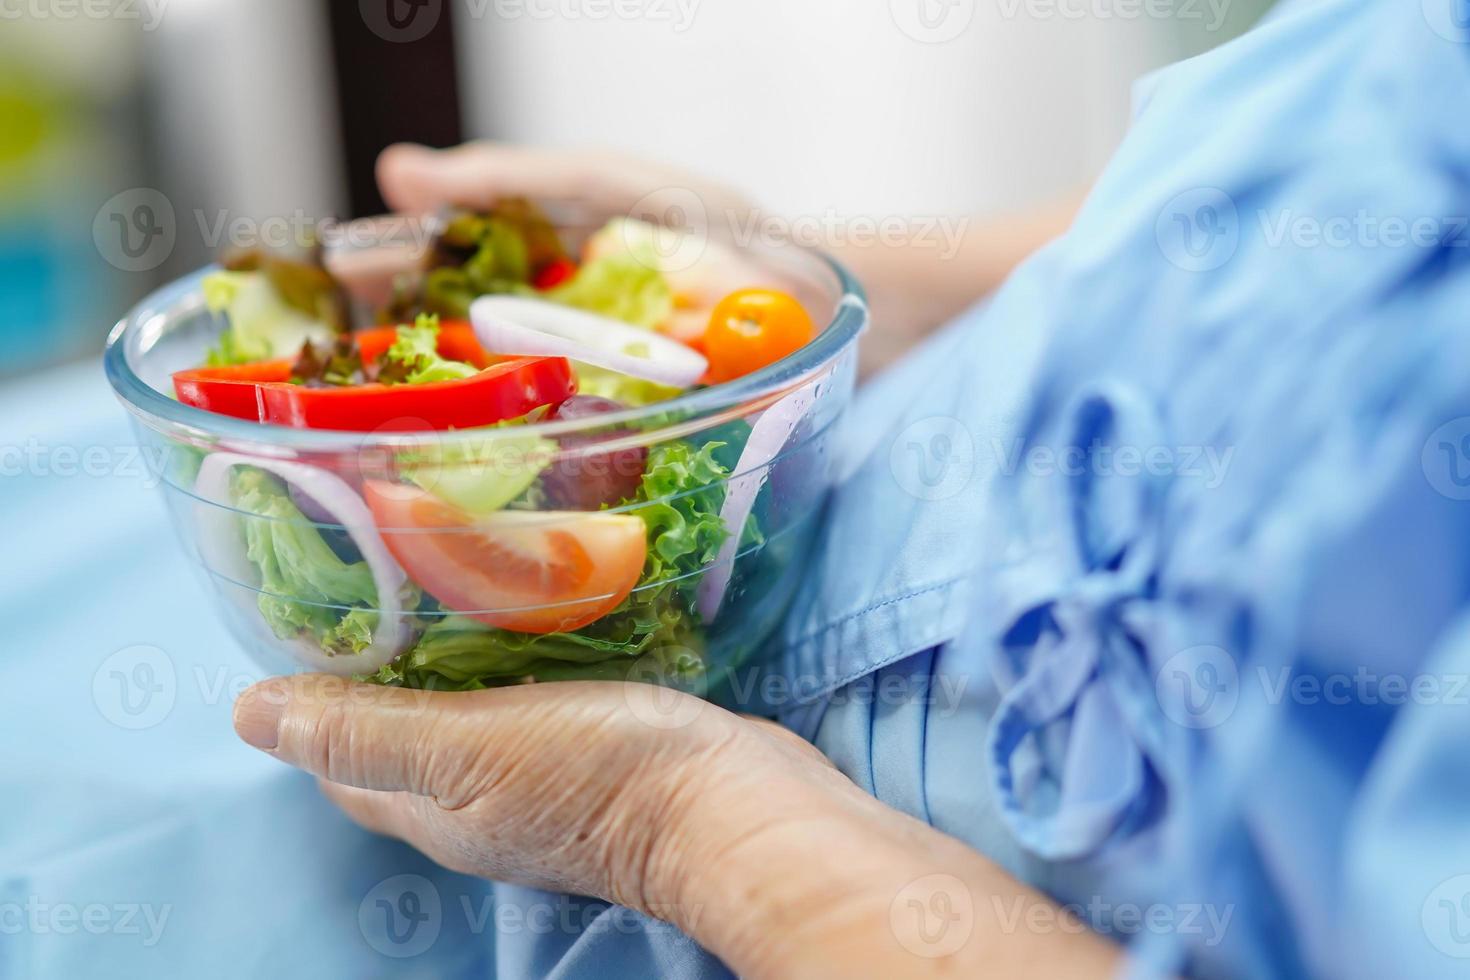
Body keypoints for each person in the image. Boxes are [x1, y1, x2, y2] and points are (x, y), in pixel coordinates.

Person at [234, 1, 1470, 976]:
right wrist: (832, 302)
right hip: (669, 600)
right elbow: (1303, 157)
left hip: (708, 897)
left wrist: (668, 822)